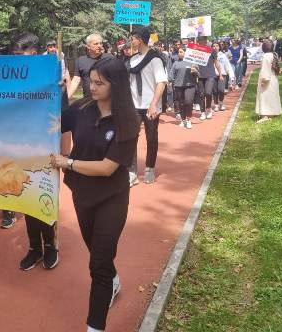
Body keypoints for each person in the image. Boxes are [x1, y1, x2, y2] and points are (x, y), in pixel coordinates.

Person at [52, 57, 139, 332]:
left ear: (116, 85)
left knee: (98, 263)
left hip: (111, 198)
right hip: (82, 194)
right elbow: (52, 120)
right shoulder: (82, 108)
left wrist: (68, 162)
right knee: (98, 253)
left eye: (99, 83)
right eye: (91, 81)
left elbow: (106, 168)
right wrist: (51, 91)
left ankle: (95, 326)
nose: (92, 87)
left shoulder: (128, 121)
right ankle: (112, 279)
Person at [13, 32, 59, 270]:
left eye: (19, 54)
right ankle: (34, 248)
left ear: (33, 53)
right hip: (21, 145)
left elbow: (59, 112)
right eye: (14, 55)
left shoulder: (51, 73)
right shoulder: (13, 78)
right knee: (26, 199)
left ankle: (50, 246)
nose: (16, 59)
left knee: (44, 197)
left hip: (45, 147)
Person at [126, 27, 167, 185]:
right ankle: (132, 171)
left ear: (140, 39)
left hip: (150, 105)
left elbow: (161, 83)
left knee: (151, 137)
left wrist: (153, 104)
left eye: (133, 39)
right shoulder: (132, 60)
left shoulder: (155, 59)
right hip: (134, 106)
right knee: (130, 138)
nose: (131, 41)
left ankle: (149, 168)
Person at [68, 33, 105, 98]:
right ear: (88, 46)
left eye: (101, 43)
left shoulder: (109, 59)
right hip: (88, 100)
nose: (99, 46)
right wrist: (67, 97)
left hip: (106, 101)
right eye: (96, 44)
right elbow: (76, 80)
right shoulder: (81, 61)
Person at [168, 48, 197, 129]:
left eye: (181, 52)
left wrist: (195, 71)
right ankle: (183, 120)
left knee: (188, 101)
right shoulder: (176, 63)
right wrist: (169, 80)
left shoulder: (192, 62)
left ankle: (188, 120)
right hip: (178, 86)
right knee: (181, 103)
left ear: (186, 53)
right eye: (178, 52)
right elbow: (171, 73)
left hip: (190, 85)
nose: (179, 53)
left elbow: (199, 74)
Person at [195, 36, 222, 120]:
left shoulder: (212, 51)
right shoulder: (196, 51)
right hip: (200, 75)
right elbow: (192, 62)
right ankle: (202, 112)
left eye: (202, 40)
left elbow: (216, 62)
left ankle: (208, 108)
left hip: (210, 75)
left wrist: (220, 74)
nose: (201, 42)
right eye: (199, 40)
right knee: (201, 94)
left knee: (208, 92)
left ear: (206, 41)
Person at [256, 39, 282, 123]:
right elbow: (274, 66)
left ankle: (266, 115)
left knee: (265, 96)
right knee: (272, 95)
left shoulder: (266, 56)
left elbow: (265, 69)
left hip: (268, 78)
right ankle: (273, 112)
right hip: (273, 78)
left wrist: (264, 80)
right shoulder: (274, 54)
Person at [212, 42, 234, 111]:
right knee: (215, 91)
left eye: (217, 46)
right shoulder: (209, 55)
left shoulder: (223, 55)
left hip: (222, 75)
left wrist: (231, 76)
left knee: (221, 90)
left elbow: (227, 66)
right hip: (212, 75)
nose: (215, 47)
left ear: (219, 47)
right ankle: (216, 105)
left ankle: (221, 103)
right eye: (213, 46)